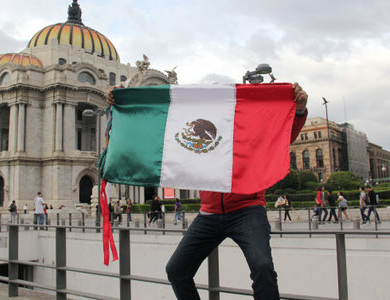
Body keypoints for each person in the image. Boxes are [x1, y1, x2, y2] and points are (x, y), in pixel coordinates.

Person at [107, 82, 308, 299]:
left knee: (262, 267)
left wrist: (298, 110)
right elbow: (149, 128)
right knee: (176, 270)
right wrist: (121, 101)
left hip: (248, 210)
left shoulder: (246, 127)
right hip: (209, 214)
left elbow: (281, 134)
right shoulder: (193, 138)